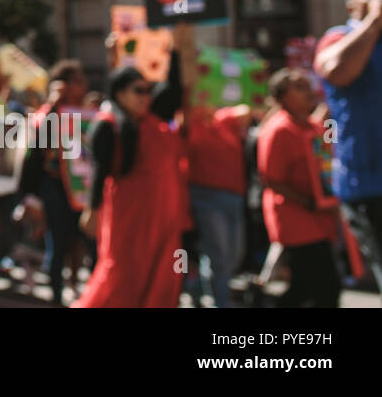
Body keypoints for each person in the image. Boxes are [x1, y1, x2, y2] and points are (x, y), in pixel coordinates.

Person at [73, 30, 188, 308]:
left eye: (148, 90)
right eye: (138, 91)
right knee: (124, 273)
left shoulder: (153, 122)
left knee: (162, 272)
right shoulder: (108, 124)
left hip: (162, 216)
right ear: (119, 93)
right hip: (129, 216)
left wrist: (176, 48)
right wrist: (92, 209)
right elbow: (100, 170)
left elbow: (172, 90)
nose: (145, 97)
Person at [313, 0, 382, 294]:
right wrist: (373, 21)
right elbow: (337, 71)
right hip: (369, 184)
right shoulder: (338, 38)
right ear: (351, 3)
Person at [257, 69, 341, 307]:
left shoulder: (313, 128)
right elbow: (270, 179)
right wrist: (309, 203)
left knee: (305, 287)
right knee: (325, 288)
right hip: (297, 221)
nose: (309, 91)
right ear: (283, 96)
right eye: (300, 87)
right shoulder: (278, 129)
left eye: (309, 85)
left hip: (320, 219)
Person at [26, 59, 89, 305]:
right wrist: (53, 102)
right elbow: (38, 138)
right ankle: (55, 296)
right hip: (55, 187)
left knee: (81, 242)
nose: (82, 86)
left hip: (81, 188)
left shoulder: (86, 112)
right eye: (76, 81)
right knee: (59, 242)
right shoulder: (50, 111)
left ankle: (80, 290)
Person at [181, 97, 254, 307]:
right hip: (206, 198)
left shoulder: (224, 121)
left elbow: (246, 109)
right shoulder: (191, 122)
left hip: (235, 197)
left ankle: (196, 287)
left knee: (233, 255)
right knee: (219, 256)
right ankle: (220, 302)